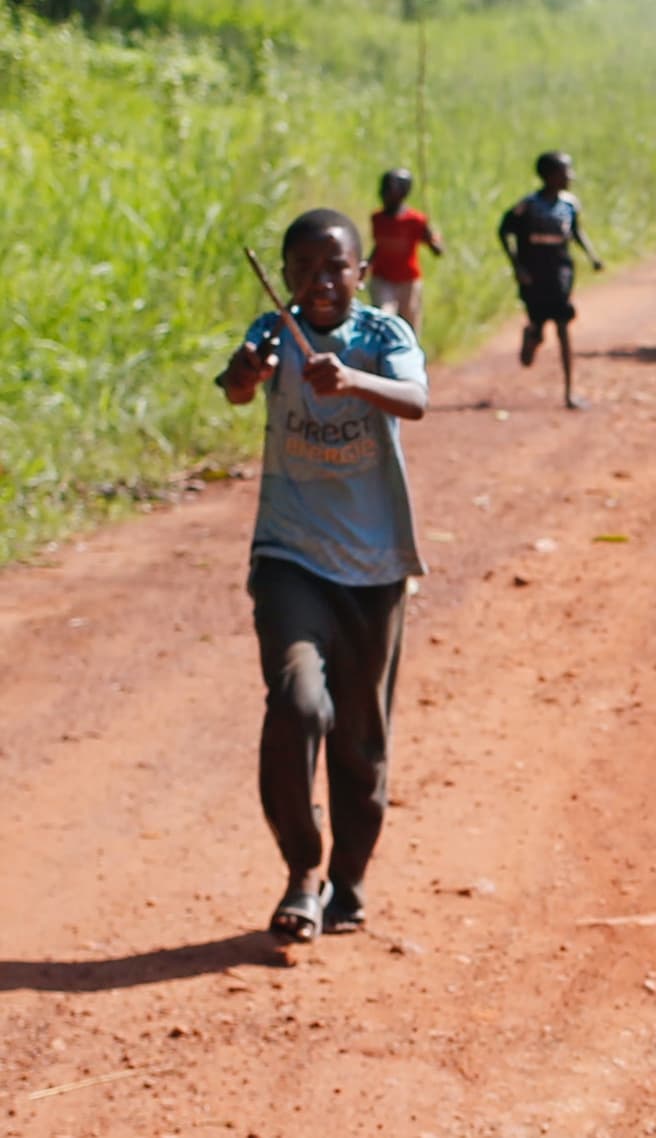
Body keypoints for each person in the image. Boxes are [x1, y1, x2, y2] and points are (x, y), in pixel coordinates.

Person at [214, 208, 428, 944]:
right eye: (302, 270)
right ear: (287, 275)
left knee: (361, 742)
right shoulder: (272, 332)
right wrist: (245, 374)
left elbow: (417, 401)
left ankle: (350, 880)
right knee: (299, 702)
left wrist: (354, 382)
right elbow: (239, 387)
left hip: (373, 568)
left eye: (334, 267)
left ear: (360, 274)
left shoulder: (382, 336)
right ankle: (302, 872)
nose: (319, 282)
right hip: (289, 555)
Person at [498, 151, 603, 410]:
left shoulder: (569, 204)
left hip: (560, 274)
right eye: (564, 173)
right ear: (549, 176)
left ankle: (569, 392)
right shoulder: (529, 206)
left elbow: (577, 232)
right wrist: (517, 266)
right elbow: (504, 231)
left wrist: (592, 256)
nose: (569, 178)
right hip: (535, 275)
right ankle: (532, 333)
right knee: (538, 324)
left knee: (563, 326)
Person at [366, 169, 444, 334]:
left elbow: (435, 248)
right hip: (382, 278)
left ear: (402, 193)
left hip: (408, 281)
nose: (383, 194)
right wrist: (367, 263)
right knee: (383, 318)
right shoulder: (377, 219)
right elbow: (379, 245)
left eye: (389, 190)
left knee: (408, 326)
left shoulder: (416, 221)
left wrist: (436, 242)